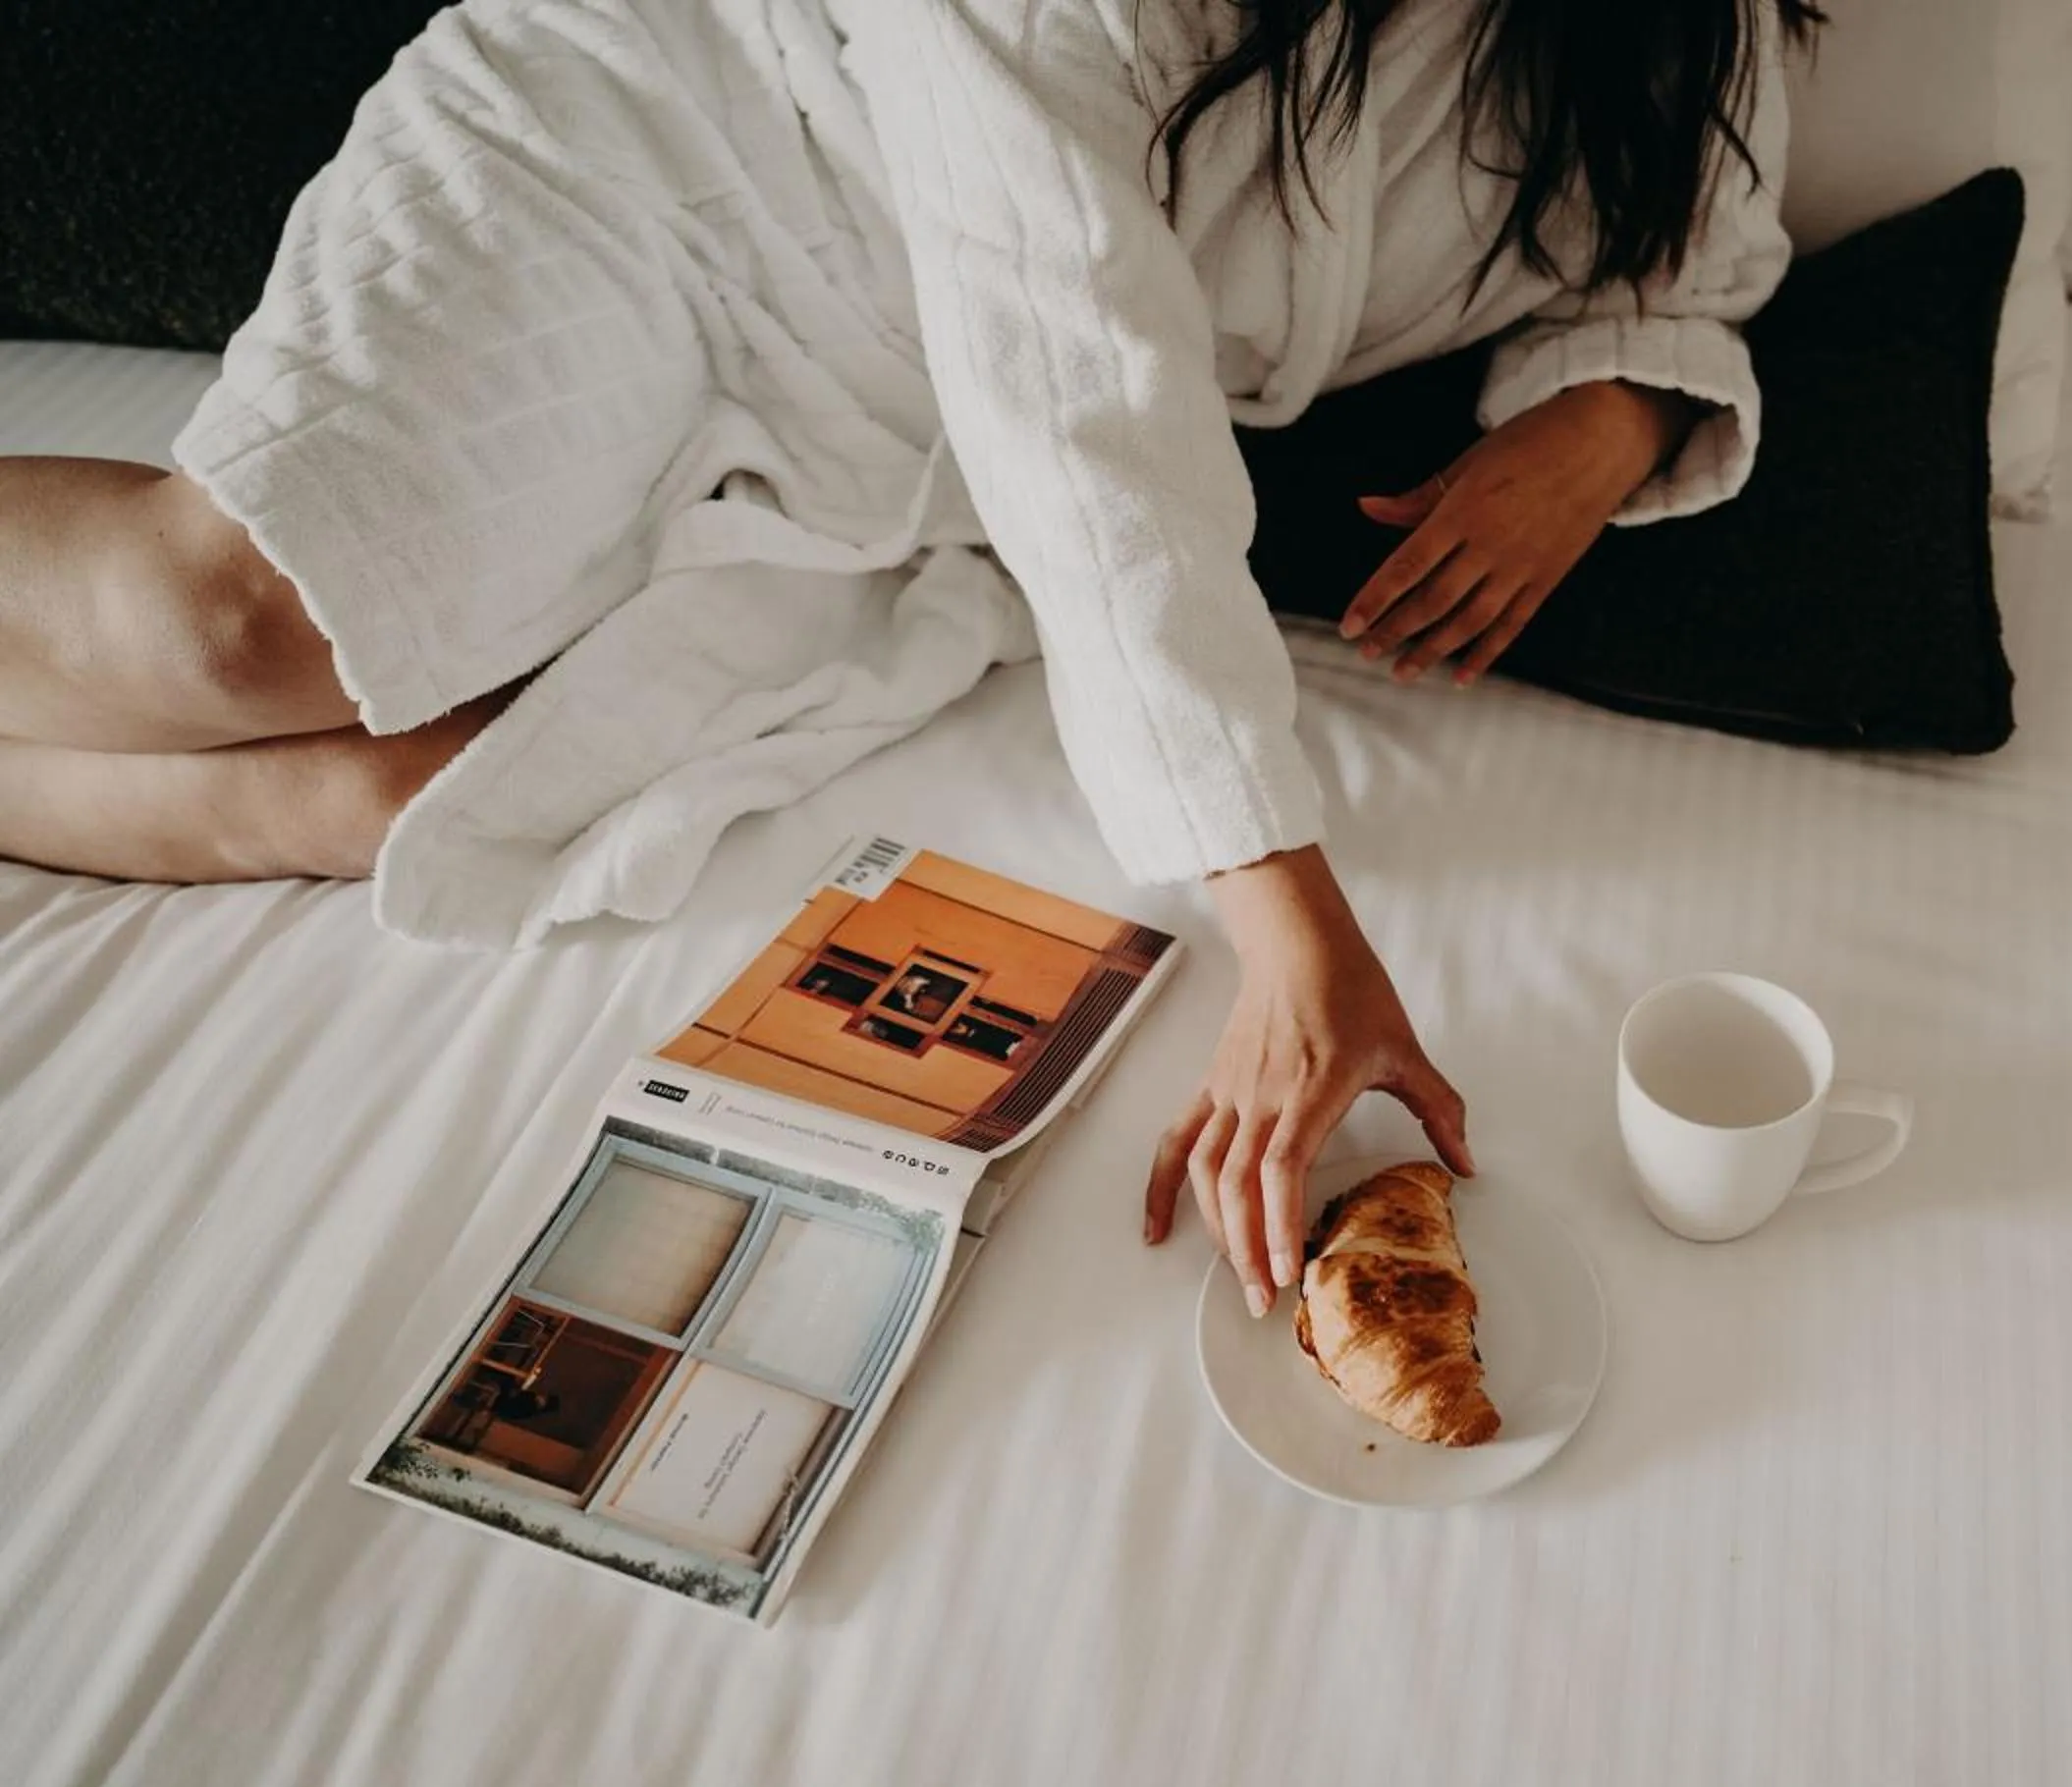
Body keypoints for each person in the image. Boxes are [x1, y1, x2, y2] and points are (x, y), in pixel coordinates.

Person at [0, 0, 1809, 1310]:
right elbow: (1072, 361)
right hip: (672, 177)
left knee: (417, 791)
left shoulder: (1678, 32)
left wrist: (1610, 419)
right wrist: (1284, 909)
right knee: (232, 630)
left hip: (903, 464)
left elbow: (1700, 259)